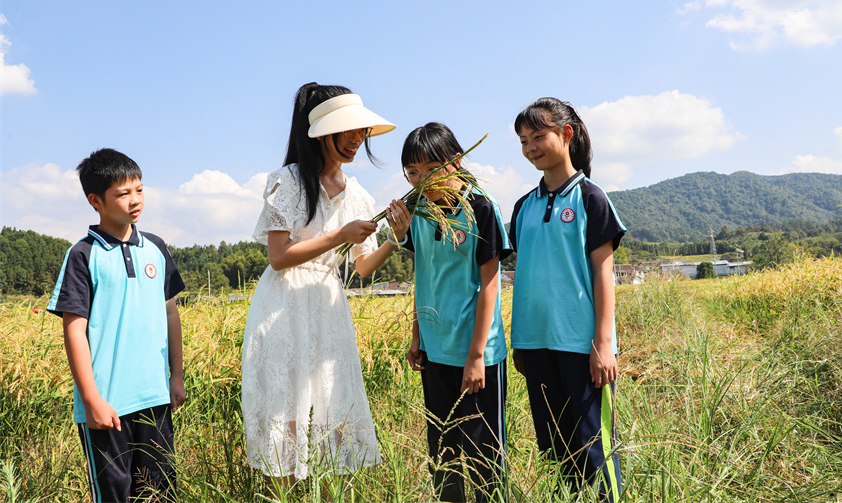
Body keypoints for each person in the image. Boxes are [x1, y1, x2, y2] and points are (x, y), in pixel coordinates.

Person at [241, 82, 411, 493]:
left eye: (361, 132)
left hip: (328, 307)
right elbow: (279, 256)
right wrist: (339, 236)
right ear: (320, 132)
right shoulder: (287, 182)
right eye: (348, 131)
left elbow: (364, 266)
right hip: (283, 306)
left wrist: (395, 238)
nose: (357, 140)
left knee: (333, 409)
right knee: (286, 412)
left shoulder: (359, 195)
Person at [47, 148, 186, 502]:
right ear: (96, 200)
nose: (135, 200)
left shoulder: (155, 247)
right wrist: (92, 399)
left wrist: (177, 375)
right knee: (115, 493)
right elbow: (74, 330)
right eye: (123, 194)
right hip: (107, 404)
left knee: (159, 492)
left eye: (139, 189)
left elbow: (171, 314)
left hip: (155, 397)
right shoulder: (82, 255)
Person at [509, 97, 626, 501]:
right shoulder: (523, 206)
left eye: (538, 136)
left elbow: (603, 274)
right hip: (535, 344)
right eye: (523, 141)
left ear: (566, 134)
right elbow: (528, 276)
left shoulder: (591, 198)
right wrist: (519, 342)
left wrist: (604, 343)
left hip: (582, 345)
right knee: (555, 450)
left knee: (595, 448)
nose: (530, 148)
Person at [402, 123, 512, 503]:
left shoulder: (481, 207)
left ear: (457, 162)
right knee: (444, 455)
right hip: (435, 350)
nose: (421, 180)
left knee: (484, 456)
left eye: (430, 169)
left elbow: (490, 285)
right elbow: (425, 277)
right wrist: (417, 336)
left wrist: (477, 356)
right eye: (412, 173)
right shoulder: (419, 212)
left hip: (475, 355)